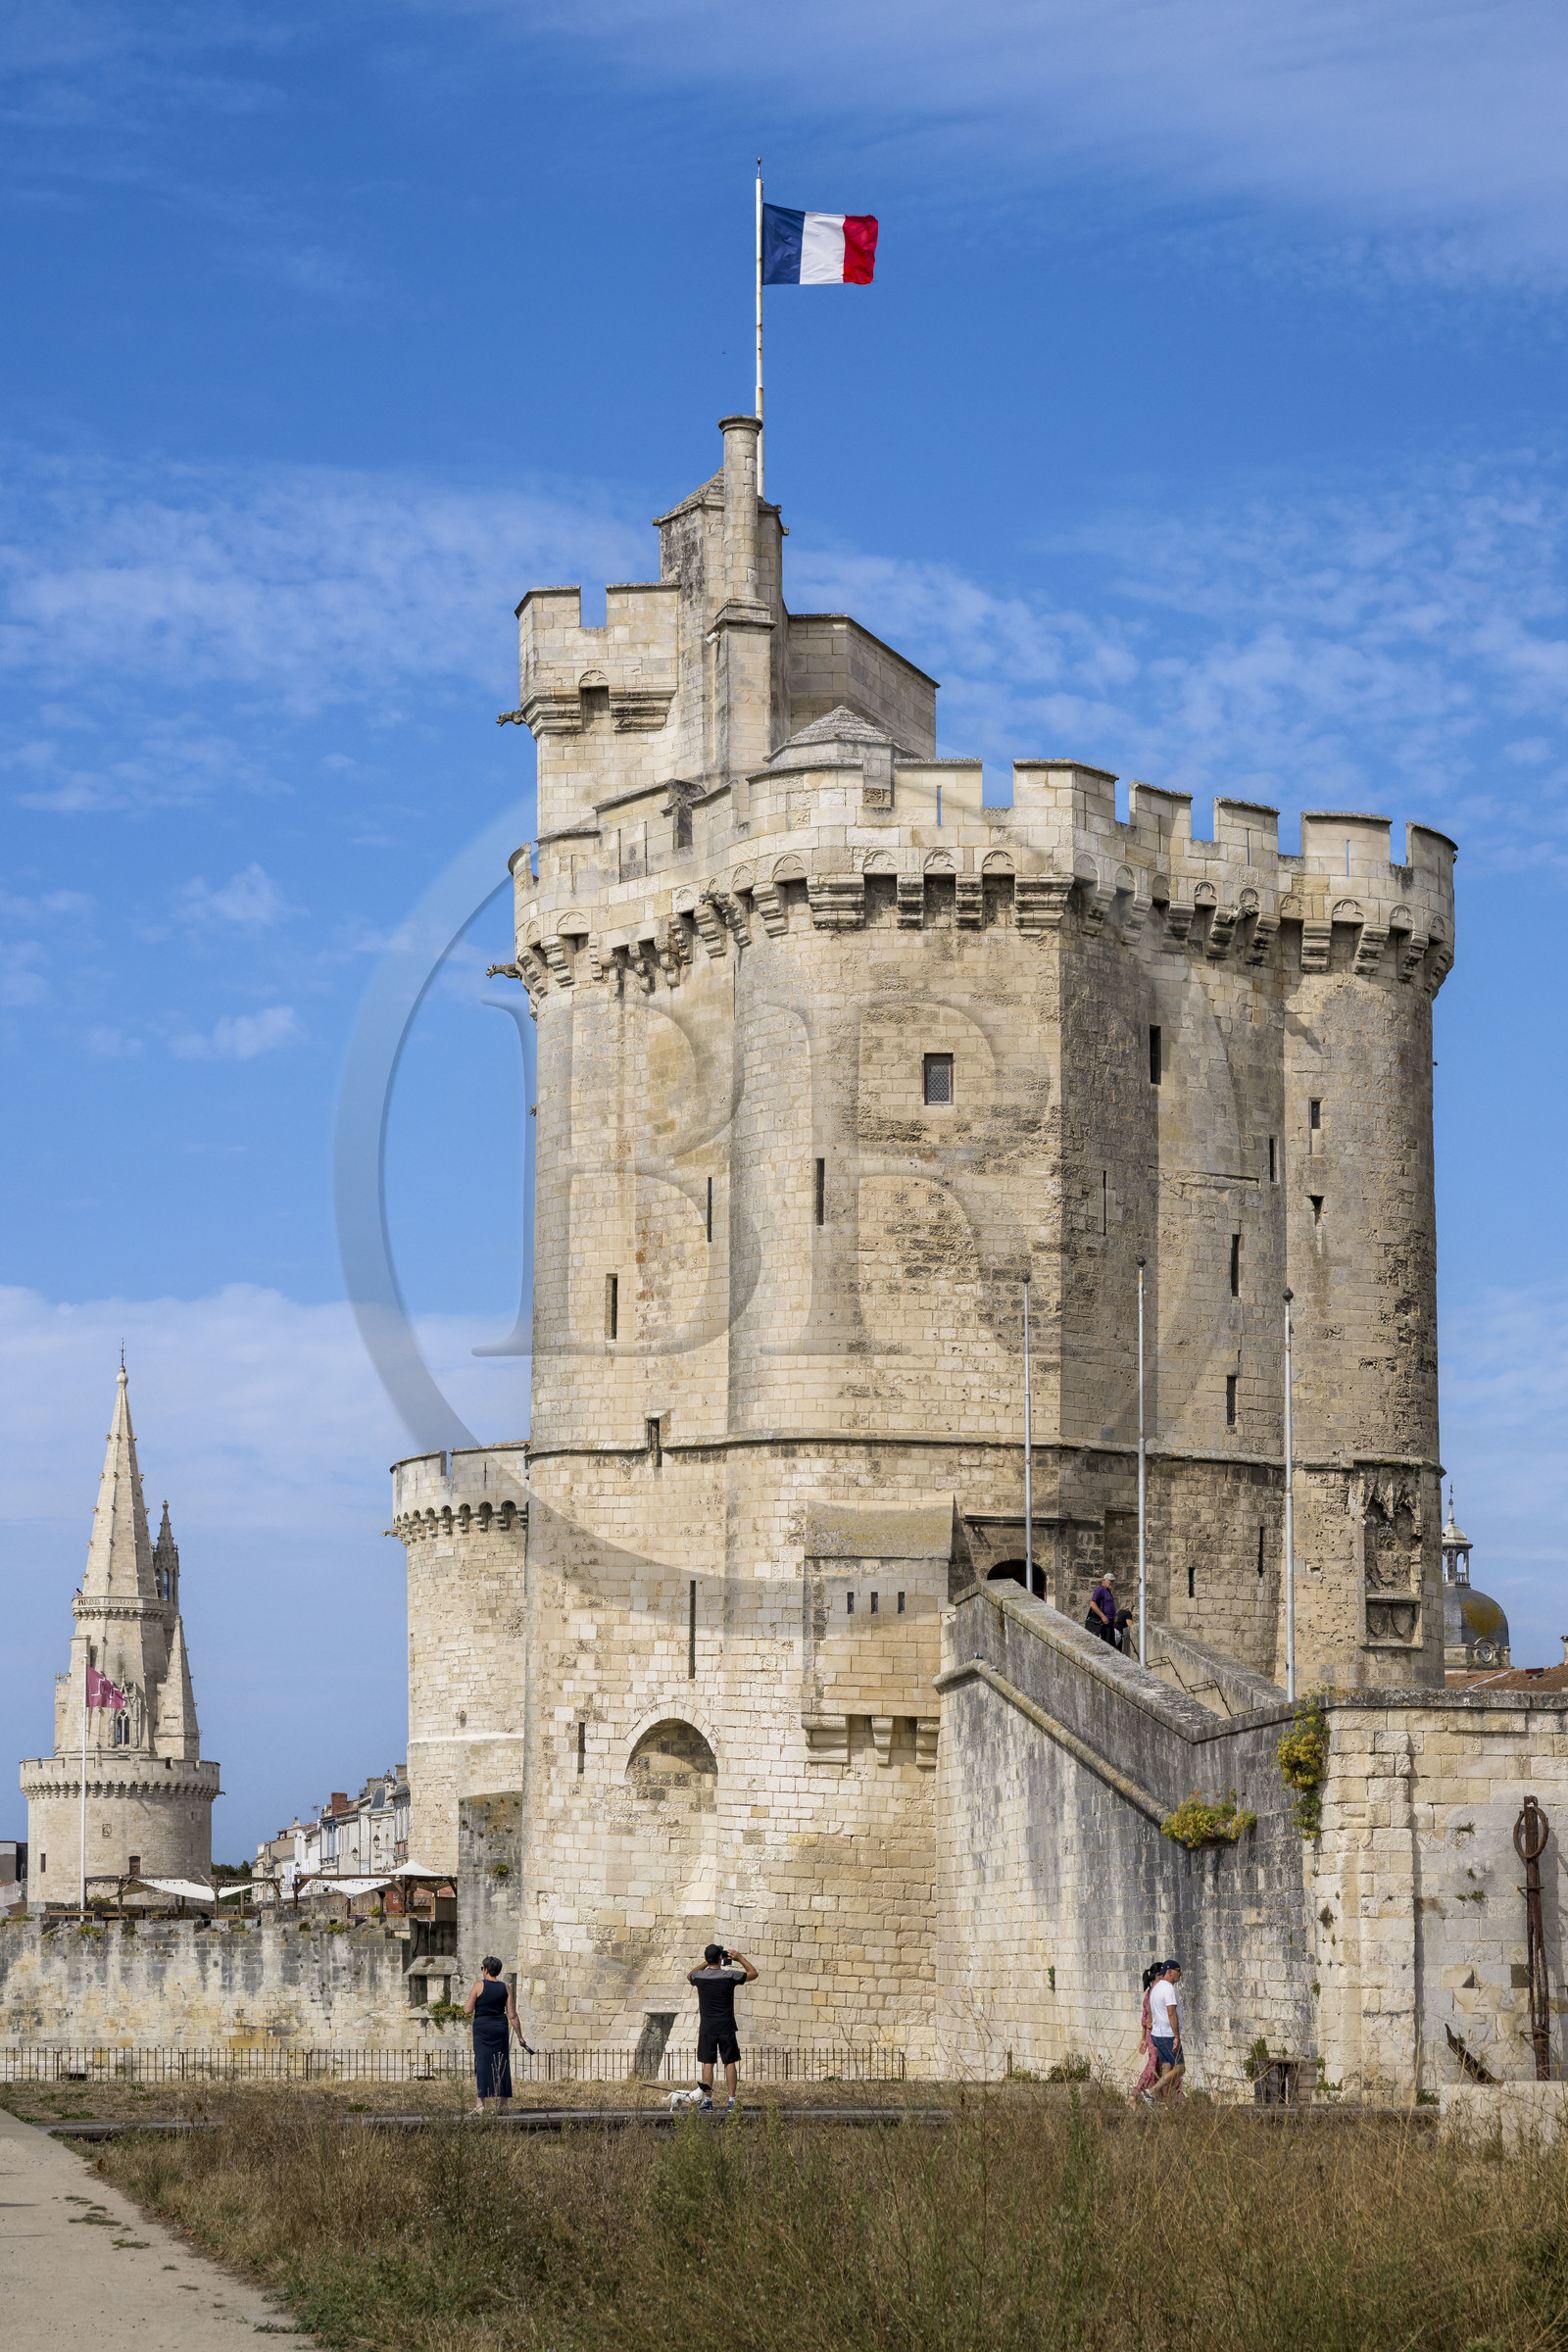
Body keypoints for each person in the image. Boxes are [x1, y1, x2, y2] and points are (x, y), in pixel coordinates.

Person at [687, 1940, 758, 2110]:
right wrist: (739, 1958)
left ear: (707, 1958)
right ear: (721, 1958)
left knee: (708, 2064)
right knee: (730, 2062)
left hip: (707, 2027)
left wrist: (707, 1961)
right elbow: (753, 1973)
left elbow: (690, 1975)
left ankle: (708, 2101)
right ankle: (731, 2101)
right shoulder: (729, 1977)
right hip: (726, 2026)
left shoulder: (699, 1977)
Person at [463, 1955, 531, 2115]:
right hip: (500, 2028)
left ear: (485, 1970)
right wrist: (520, 2037)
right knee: (502, 2063)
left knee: (482, 2063)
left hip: (482, 2028)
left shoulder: (479, 1985)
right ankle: (503, 2105)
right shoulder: (505, 1987)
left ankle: (480, 2105)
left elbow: (468, 2009)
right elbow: (512, 2015)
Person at [1147, 1960, 1186, 2102]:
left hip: (1157, 2034)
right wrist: (1176, 2036)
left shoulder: (1156, 1987)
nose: (1180, 1974)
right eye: (1178, 1970)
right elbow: (1171, 2013)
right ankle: (1151, 2091)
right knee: (1180, 2068)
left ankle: (1166, 2102)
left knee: (1167, 2069)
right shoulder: (1168, 1988)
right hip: (1168, 2035)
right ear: (1169, 1972)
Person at [1128, 1960, 1163, 2107]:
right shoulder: (1153, 1993)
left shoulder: (1152, 1992)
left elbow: (1144, 2019)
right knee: (1153, 2062)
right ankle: (1134, 2095)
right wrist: (1143, 2038)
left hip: (1154, 2033)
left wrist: (1143, 2038)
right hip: (1154, 2032)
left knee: (1160, 2064)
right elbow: (1146, 2019)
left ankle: (1159, 2096)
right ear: (1159, 1975)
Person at [1086, 1572, 1118, 1645]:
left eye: (1113, 1581)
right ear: (1104, 1580)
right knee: (1107, 1643)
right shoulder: (1100, 1590)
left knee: (1111, 1643)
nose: (1112, 1583)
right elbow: (1093, 1604)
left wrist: (1115, 1615)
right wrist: (1103, 1616)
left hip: (1110, 1621)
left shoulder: (1107, 1591)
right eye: (1110, 1581)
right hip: (1104, 1621)